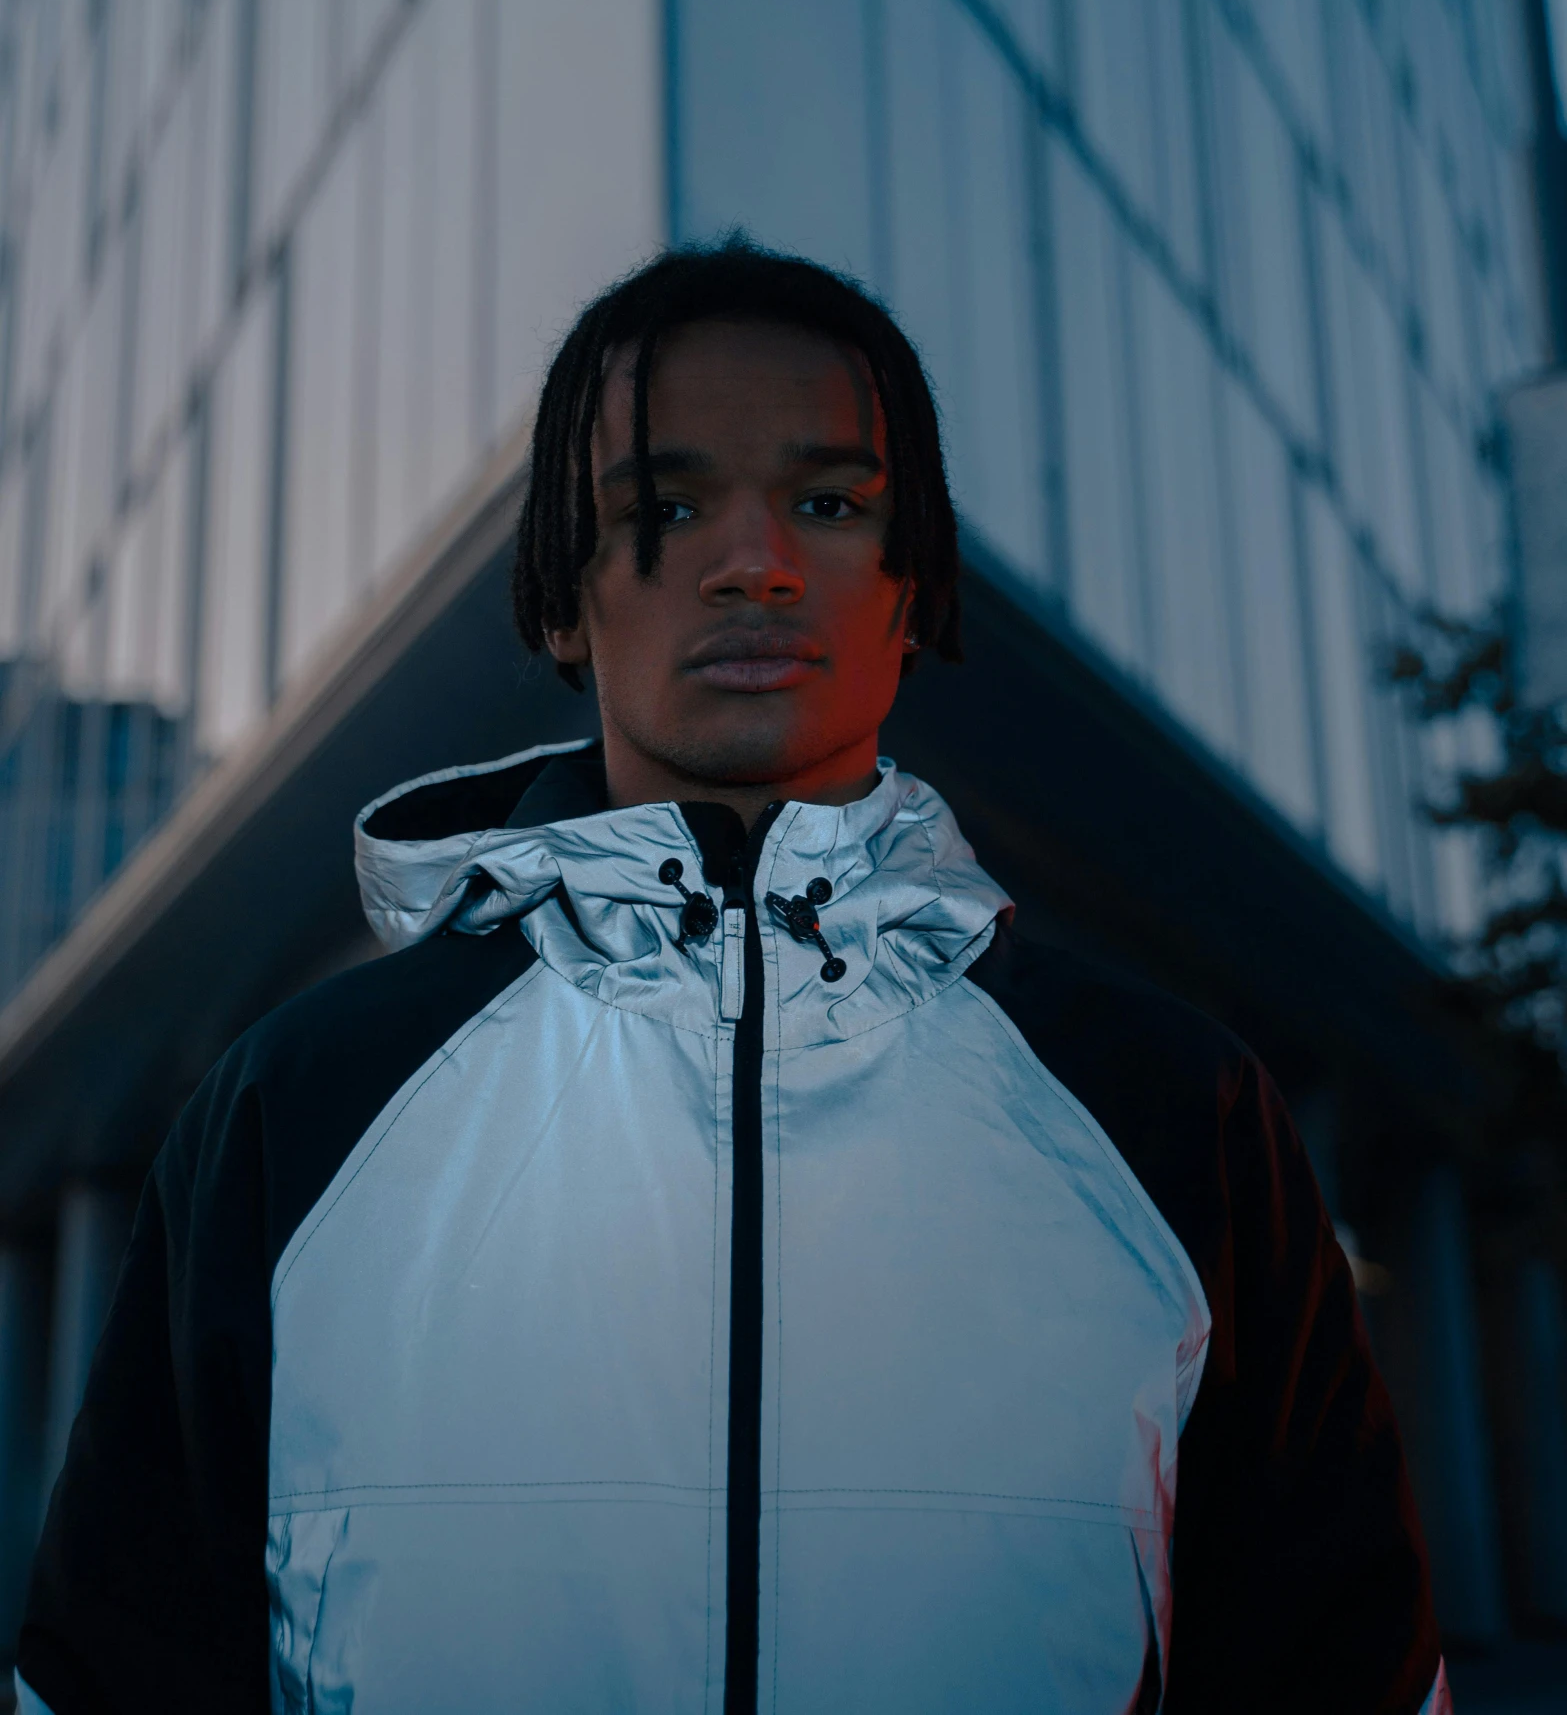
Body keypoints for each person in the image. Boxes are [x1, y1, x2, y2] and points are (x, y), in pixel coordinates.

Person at [20, 242, 1448, 1713]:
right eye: (665, 504)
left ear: (913, 591)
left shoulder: (1173, 1108)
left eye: (828, 504)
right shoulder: (295, 1104)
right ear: (561, 601)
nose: (753, 561)